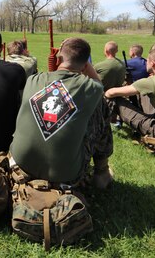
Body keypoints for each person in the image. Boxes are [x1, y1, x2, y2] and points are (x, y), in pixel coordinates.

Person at [9, 38, 106, 185]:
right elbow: (99, 83)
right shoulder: (92, 89)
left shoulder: (33, 80)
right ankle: (102, 172)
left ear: (59, 58)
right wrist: (86, 66)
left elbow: (54, 83)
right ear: (85, 65)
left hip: (21, 162)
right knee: (100, 109)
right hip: (65, 174)